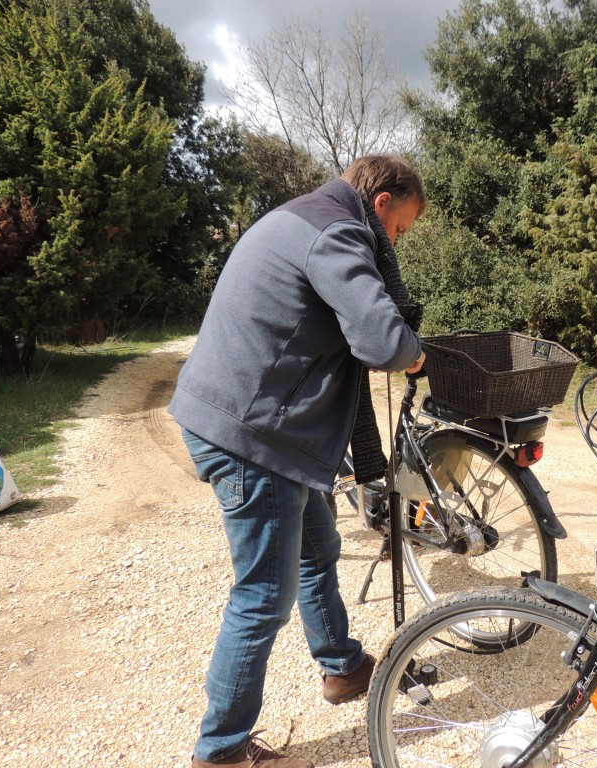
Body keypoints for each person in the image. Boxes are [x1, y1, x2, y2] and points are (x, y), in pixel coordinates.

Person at [169, 155, 427, 768]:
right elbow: (382, 340)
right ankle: (221, 750)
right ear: (383, 201)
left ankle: (340, 666)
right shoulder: (336, 231)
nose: (395, 244)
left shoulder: (302, 217)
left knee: (319, 549)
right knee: (262, 595)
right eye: (399, 231)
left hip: (252, 420)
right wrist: (415, 355)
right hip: (252, 435)